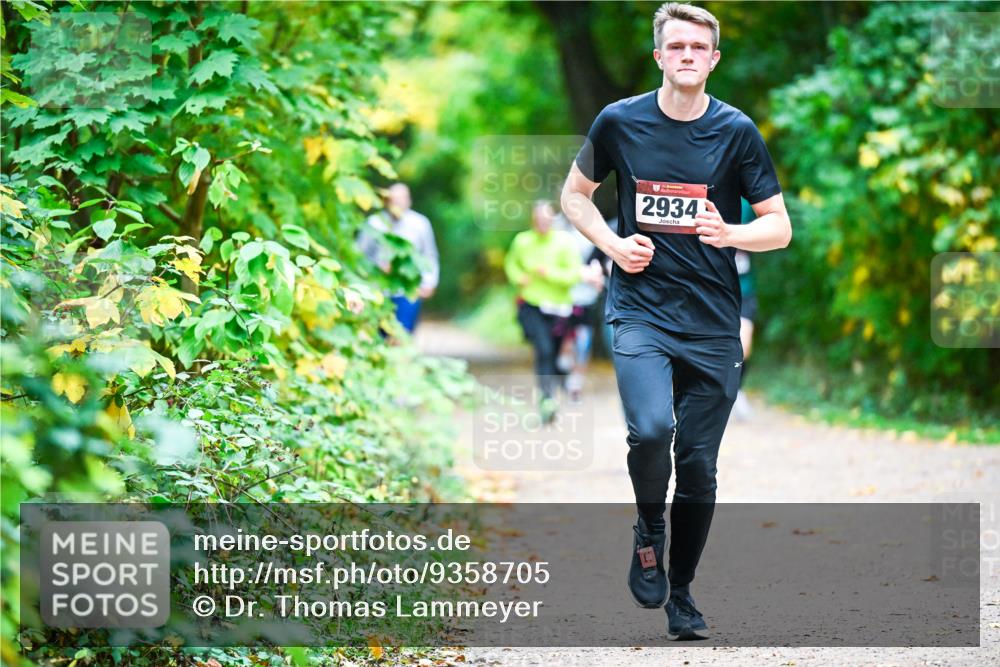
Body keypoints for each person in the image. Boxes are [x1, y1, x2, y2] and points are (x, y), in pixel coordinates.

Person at [559, 2, 792, 640]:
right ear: (659, 55)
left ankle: (682, 593)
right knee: (651, 429)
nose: (688, 56)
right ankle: (647, 526)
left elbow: (780, 227)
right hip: (640, 308)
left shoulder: (736, 131)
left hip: (713, 320)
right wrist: (612, 247)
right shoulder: (620, 121)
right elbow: (573, 197)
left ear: (714, 59)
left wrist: (729, 229)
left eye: (699, 48)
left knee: (697, 465)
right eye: (677, 46)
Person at [504, 201, 581, 423]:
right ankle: (547, 402)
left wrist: (548, 273)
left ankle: (561, 382)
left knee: (555, 356)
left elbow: (573, 275)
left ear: (553, 220)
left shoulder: (565, 242)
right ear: (532, 220)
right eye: (538, 220)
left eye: (546, 220)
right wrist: (519, 278)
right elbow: (511, 265)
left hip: (559, 308)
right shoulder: (522, 240)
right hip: (531, 304)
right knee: (544, 350)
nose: (542, 224)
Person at [357, 183, 439, 333]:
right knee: (377, 334)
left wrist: (430, 282)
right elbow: (360, 255)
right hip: (379, 289)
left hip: (408, 289)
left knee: (402, 334)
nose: (398, 203)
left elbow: (429, 255)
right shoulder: (374, 223)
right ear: (387, 201)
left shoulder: (420, 224)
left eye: (402, 199)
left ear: (409, 200)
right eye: (394, 200)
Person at [731, 198, 758, 420]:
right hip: (713, 287)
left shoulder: (749, 203)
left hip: (744, 288)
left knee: (744, 343)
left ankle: (736, 391)